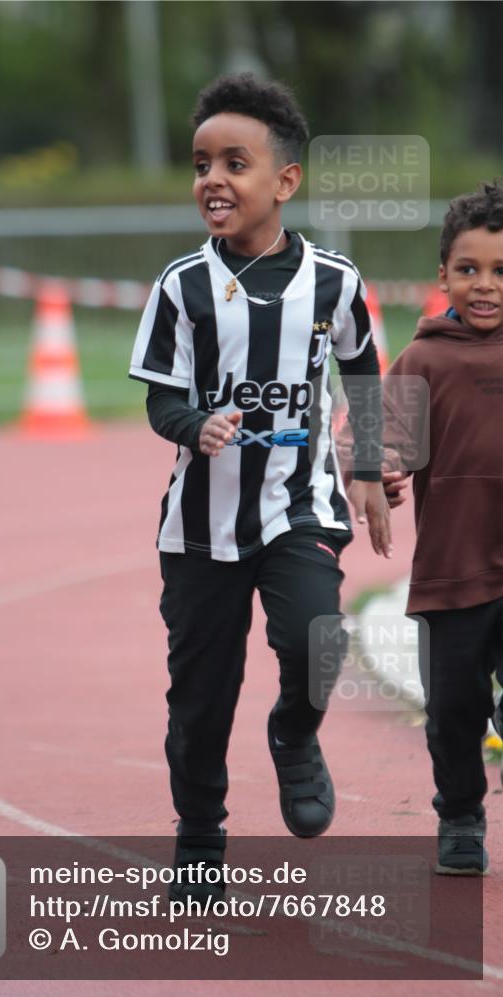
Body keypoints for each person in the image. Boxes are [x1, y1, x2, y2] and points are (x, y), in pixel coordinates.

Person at [129, 73, 391, 902]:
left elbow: (365, 370)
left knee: (316, 638)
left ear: (284, 181)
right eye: (200, 162)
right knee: (201, 701)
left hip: (299, 503)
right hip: (200, 528)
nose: (212, 179)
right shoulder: (182, 287)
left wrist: (371, 467)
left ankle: (294, 731)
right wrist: (192, 424)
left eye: (233, 163)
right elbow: (161, 395)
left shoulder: (334, 281)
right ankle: (200, 837)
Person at [381, 180, 503, 876]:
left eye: (499, 270)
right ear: (442, 277)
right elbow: (371, 432)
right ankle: (459, 816)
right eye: (468, 269)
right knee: (452, 714)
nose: (484, 285)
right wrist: (380, 468)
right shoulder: (422, 358)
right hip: (451, 576)